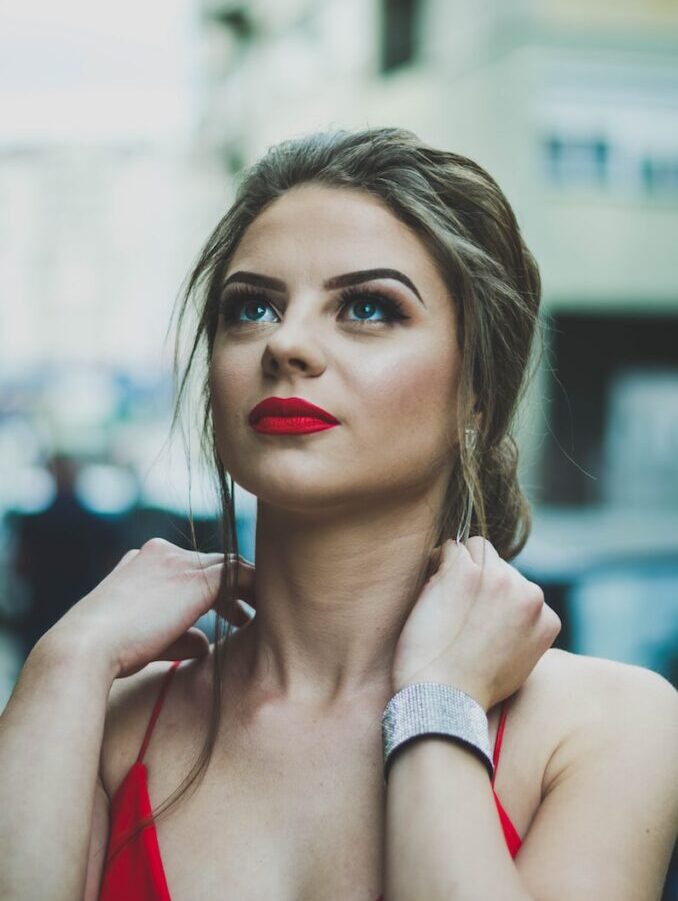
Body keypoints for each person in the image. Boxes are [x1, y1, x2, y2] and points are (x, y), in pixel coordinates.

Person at [1, 126, 677, 901]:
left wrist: (439, 704)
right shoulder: (108, 723)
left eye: (368, 307)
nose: (286, 343)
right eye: (251, 306)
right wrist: (68, 656)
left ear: (478, 389)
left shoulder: (607, 726)